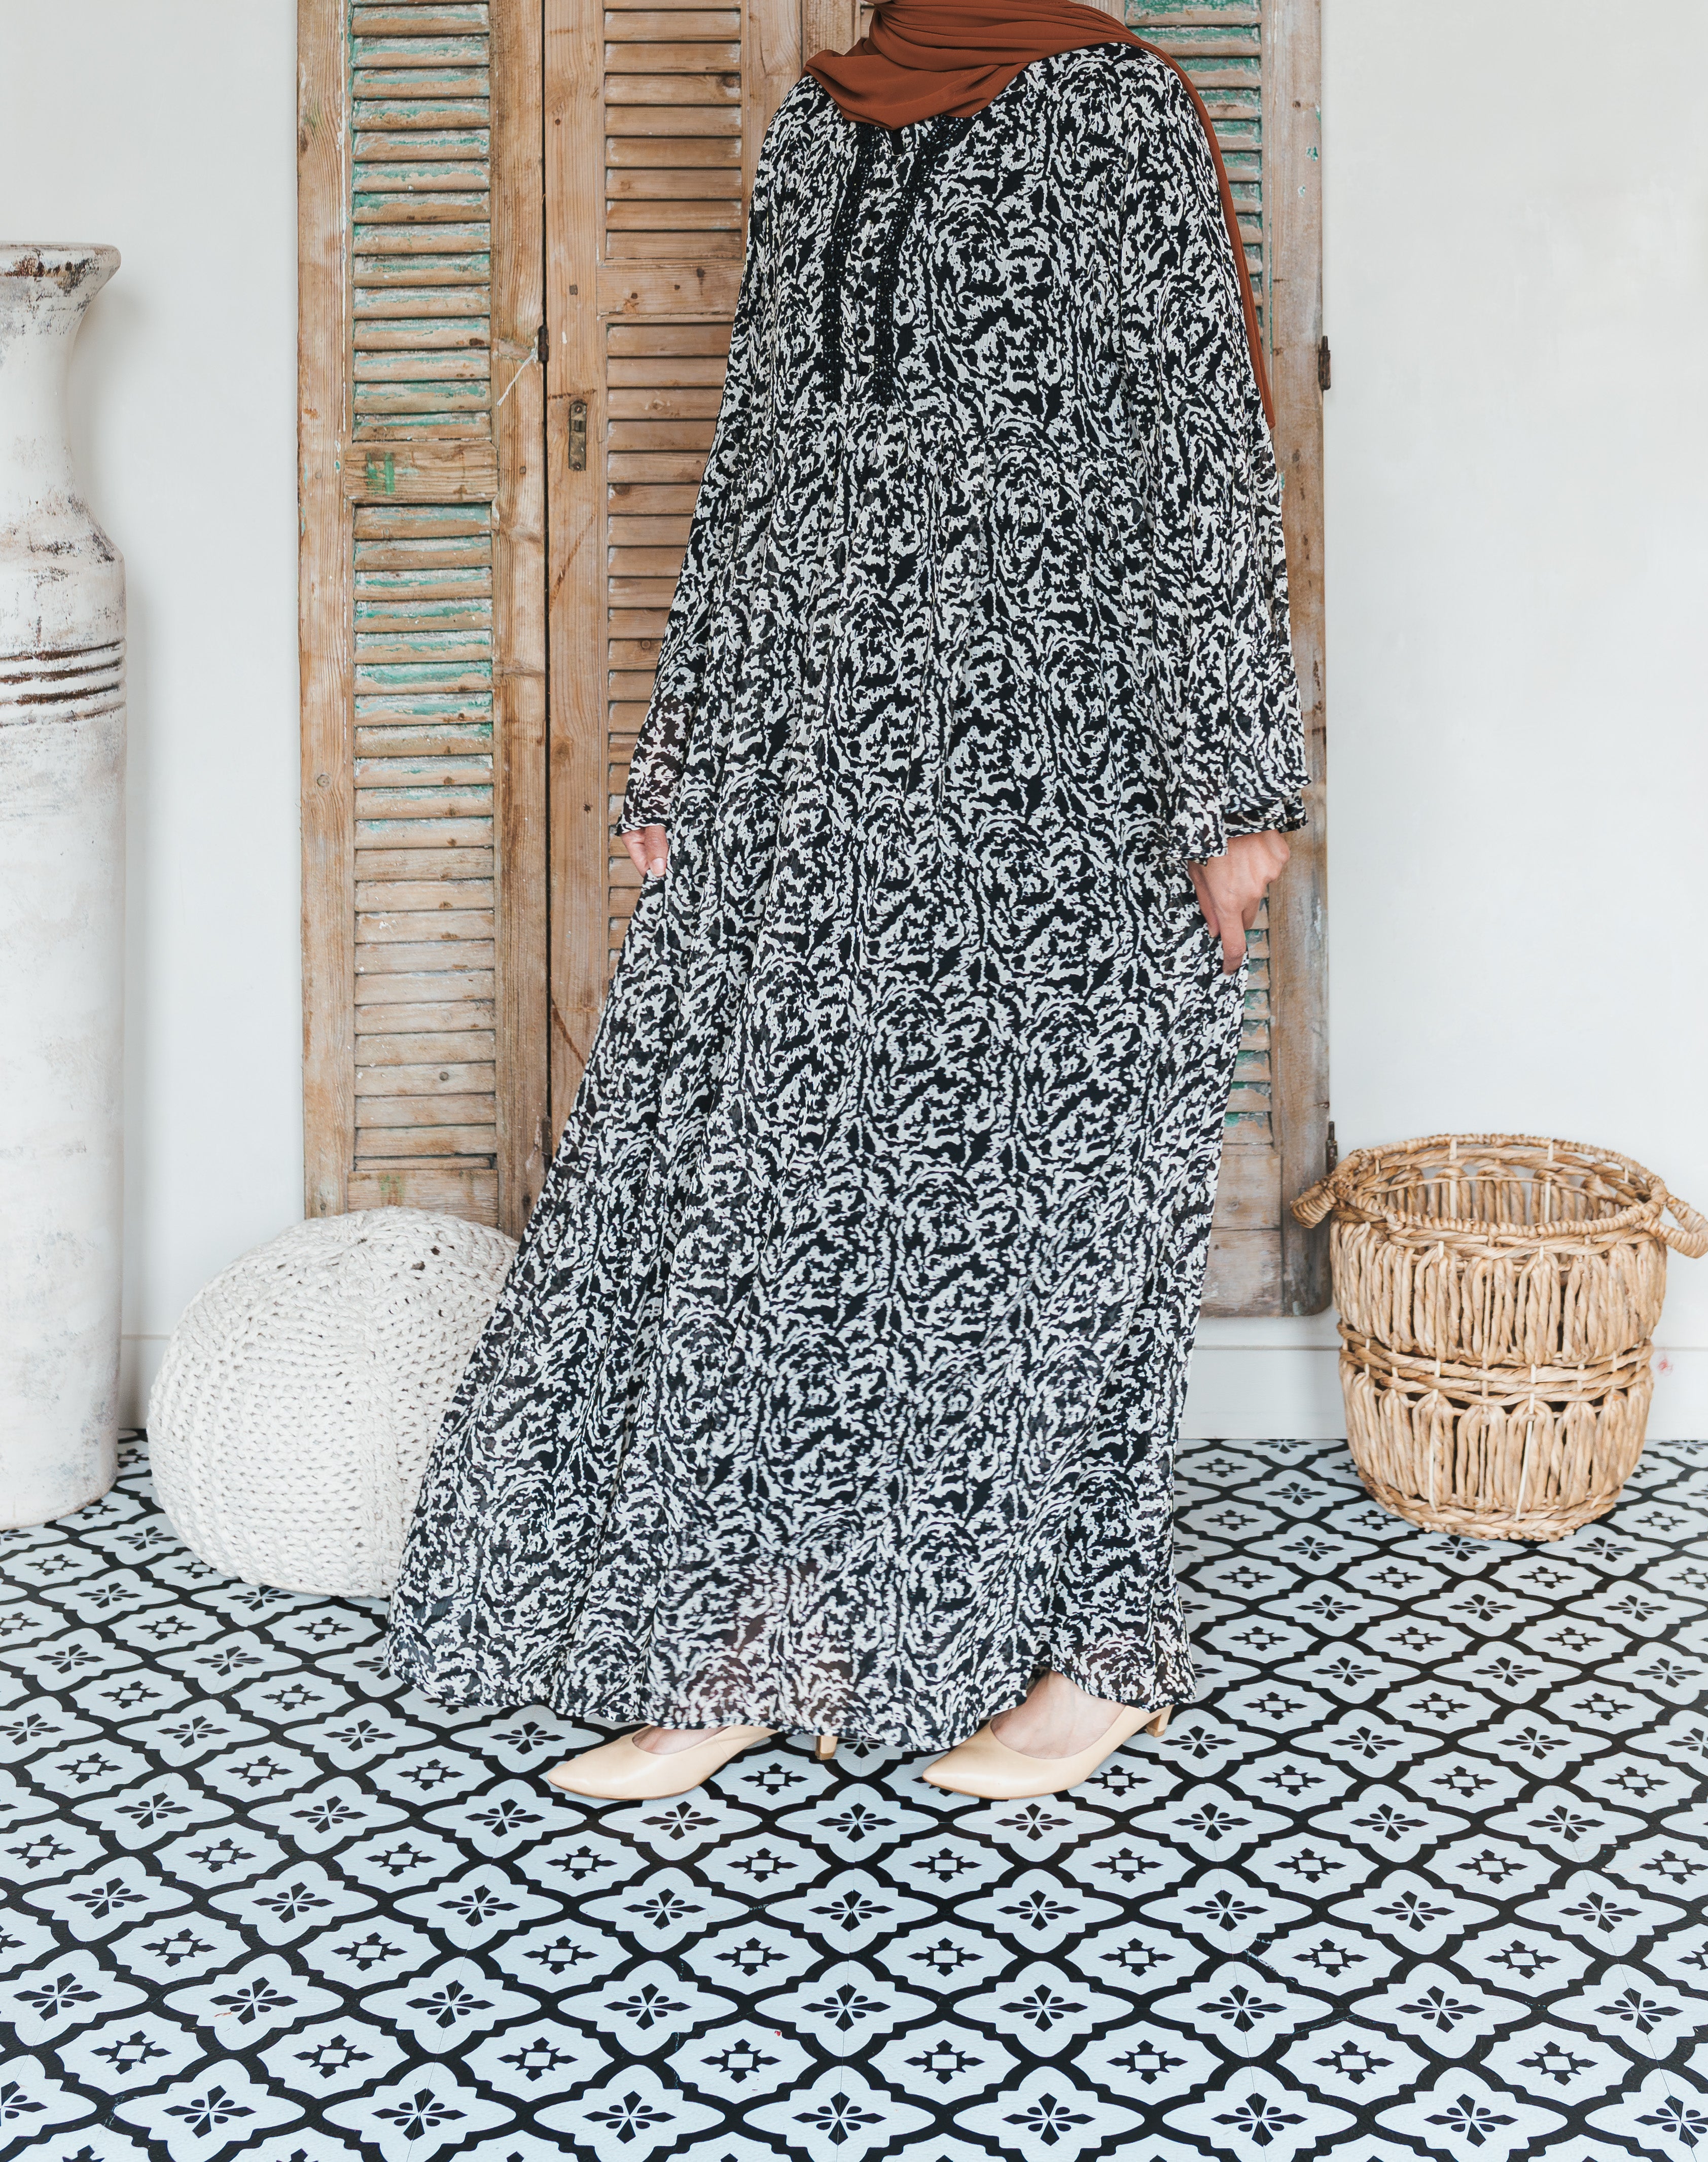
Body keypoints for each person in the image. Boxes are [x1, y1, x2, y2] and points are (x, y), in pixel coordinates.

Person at [386, 0, 1306, 1803]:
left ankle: (1097, 1656)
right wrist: (684, 754)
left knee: (1059, 1208)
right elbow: (756, 460)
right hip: (812, 756)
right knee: (772, 1200)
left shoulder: (1116, 111)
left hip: (1061, 763)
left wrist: (1230, 795)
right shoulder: (819, 126)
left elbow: (1191, 451)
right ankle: (748, 1640)